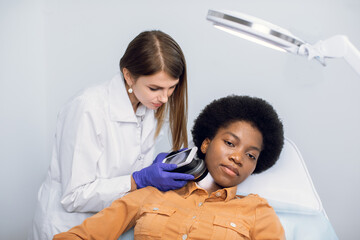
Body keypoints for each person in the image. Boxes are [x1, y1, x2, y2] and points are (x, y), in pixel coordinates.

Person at [29, 30, 195, 240]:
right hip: (68, 227)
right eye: (155, 88)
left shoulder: (146, 106)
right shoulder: (88, 108)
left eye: (172, 88)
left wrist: (151, 168)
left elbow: (126, 165)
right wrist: (139, 179)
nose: (164, 98)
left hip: (110, 223)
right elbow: (74, 196)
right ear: (128, 76)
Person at [53, 95, 286, 240]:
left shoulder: (257, 211)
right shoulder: (153, 194)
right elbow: (81, 236)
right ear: (205, 144)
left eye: (250, 155)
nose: (238, 158)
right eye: (229, 143)